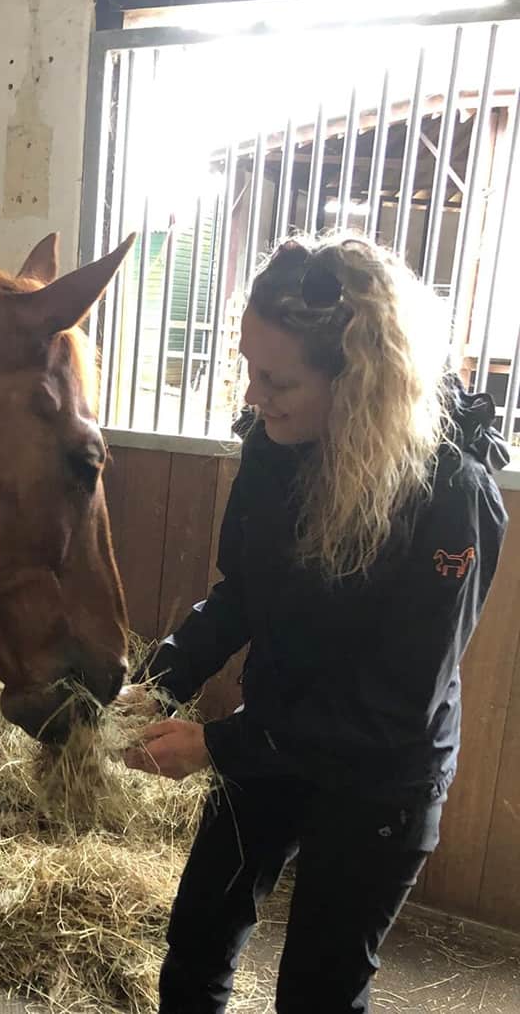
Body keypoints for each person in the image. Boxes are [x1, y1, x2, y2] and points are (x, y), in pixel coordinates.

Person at [121, 233, 509, 1014]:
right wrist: (160, 676)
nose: (255, 395)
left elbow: (392, 707)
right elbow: (242, 593)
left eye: (278, 379)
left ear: (358, 378)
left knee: (318, 992)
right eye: (249, 369)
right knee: (196, 938)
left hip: (380, 778)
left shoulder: (449, 498)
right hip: (274, 735)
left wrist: (215, 745)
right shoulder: (276, 445)